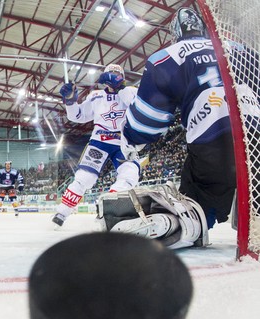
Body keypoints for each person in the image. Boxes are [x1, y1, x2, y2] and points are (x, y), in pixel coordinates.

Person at [100, 7, 237, 249]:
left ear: (175, 34)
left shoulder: (167, 57)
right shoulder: (237, 49)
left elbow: (148, 121)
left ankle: (176, 224)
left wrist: (131, 140)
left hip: (214, 138)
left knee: (199, 201)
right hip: (254, 132)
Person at [51, 63, 139, 227]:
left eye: (117, 73)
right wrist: (70, 102)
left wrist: (120, 87)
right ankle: (61, 213)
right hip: (99, 141)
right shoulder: (96, 95)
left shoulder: (131, 92)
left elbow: (137, 107)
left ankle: (112, 207)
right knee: (85, 177)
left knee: (130, 174)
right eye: (111, 73)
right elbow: (78, 115)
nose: (114, 75)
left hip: (125, 142)